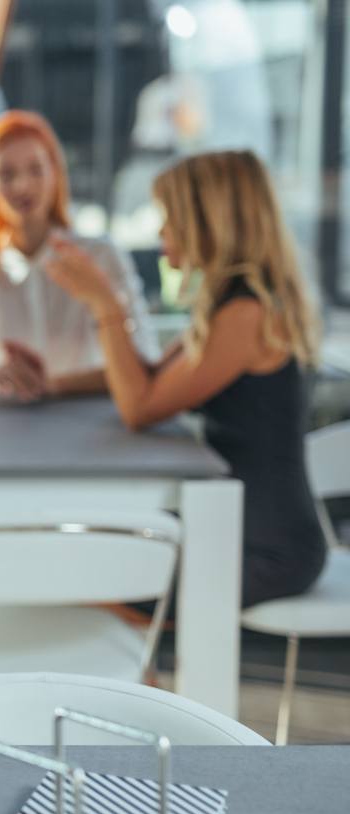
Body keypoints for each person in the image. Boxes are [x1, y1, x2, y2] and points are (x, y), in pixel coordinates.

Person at [44, 149, 326, 608]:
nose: (161, 232)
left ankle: (136, 678)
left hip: (267, 549)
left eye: (169, 217)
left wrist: (106, 305)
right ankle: (140, 677)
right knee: (98, 560)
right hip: (234, 528)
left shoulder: (246, 313)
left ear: (209, 222)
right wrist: (52, 385)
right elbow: (150, 375)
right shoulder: (227, 304)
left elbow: (140, 406)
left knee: (93, 577)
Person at [0, 110, 158, 400]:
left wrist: (52, 385)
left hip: (85, 430)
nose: (23, 186)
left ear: (55, 176)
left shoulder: (101, 257)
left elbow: (145, 362)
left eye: (36, 169)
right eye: (7, 174)